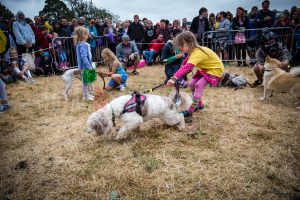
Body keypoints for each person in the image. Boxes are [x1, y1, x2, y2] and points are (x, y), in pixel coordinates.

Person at [167, 31, 224, 118]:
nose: (179, 47)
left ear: (190, 43)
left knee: (198, 85)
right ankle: (199, 105)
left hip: (215, 70)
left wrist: (174, 78)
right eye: (179, 45)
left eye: (182, 45)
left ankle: (190, 111)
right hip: (206, 70)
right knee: (192, 84)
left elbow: (187, 67)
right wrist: (177, 75)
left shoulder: (197, 53)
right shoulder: (192, 51)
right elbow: (185, 64)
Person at [74, 26, 95, 101]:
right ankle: (85, 96)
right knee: (85, 81)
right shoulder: (82, 45)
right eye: (86, 34)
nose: (88, 36)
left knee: (87, 81)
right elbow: (84, 57)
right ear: (83, 35)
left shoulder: (82, 44)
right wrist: (89, 66)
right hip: (85, 66)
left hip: (85, 66)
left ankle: (87, 94)